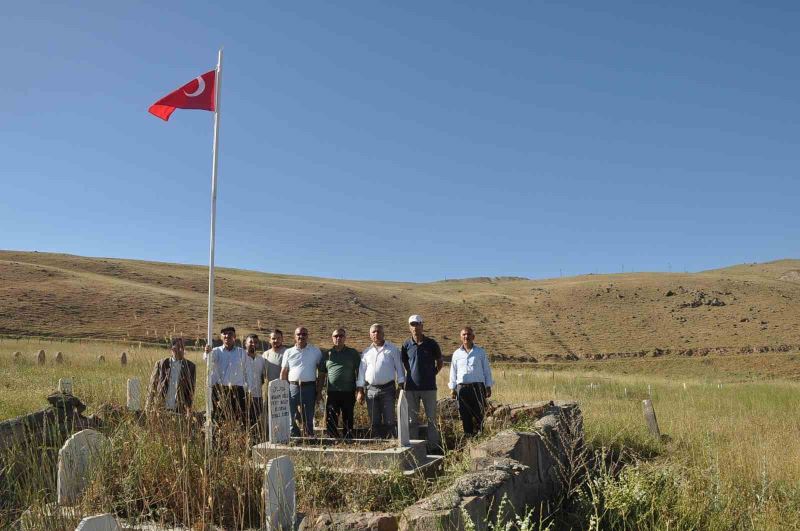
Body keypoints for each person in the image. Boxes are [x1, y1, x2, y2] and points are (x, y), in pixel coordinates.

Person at [401, 314, 443, 451]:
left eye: (417, 324)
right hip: (411, 388)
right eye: (412, 325)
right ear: (409, 327)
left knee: (431, 419)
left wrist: (432, 374)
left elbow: (440, 362)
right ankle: (413, 448)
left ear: (422, 326)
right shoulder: (406, 344)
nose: (415, 327)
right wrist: (411, 374)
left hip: (429, 388)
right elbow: (405, 363)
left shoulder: (431, 344)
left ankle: (433, 447)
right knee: (412, 419)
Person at [356, 323, 405, 438]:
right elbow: (361, 372)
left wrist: (401, 387)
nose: (376, 334)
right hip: (370, 390)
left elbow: (399, 369)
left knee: (390, 419)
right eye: (373, 332)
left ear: (383, 334)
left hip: (388, 389)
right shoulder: (366, 352)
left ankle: (392, 442)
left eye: (378, 331)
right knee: (374, 420)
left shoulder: (392, 349)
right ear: (370, 335)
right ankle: (376, 441)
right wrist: (360, 390)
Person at [449, 327, 494, 436]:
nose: (466, 336)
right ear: (461, 337)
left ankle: (480, 437)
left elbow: (486, 370)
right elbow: (453, 371)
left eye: (469, 334)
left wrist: (488, 386)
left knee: (479, 413)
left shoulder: (480, 352)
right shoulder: (456, 354)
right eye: (464, 334)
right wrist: (452, 388)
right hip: (462, 389)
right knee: (465, 414)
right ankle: (468, 437)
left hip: (478, 387)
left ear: (473, 337)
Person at [280, 326, 324, 437]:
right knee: (291, 413)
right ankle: (294, 435)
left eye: (304, 334)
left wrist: (319, 391)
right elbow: (284, 372)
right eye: (299, 334)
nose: (301, 336)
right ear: (294, 336)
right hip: (293, 387)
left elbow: (322, 372)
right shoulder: (288, 352)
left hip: (310, 387)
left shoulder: (315, 351)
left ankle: (309, 435)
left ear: (307, 336)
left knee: (309, 414)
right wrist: (282, 389)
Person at [321, 327, 361, 438]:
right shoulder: (327, 354)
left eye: (341, 336)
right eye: (335, 336)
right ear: (332, 338)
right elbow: (321, 374)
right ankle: (332, 438)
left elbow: (359, 372)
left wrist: (360, 389)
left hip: (348, 391)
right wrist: (319, 391)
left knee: (348, 416)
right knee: (331, 417)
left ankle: (348, 438)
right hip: (332, 391)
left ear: (345, 338)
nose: (338, 338)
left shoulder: (352, 353)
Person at [204, 326, 246, 425]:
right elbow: (207, 360)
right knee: (220, 417)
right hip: (220, 389)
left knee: (237, 417)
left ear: (234, 337)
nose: (227, 336)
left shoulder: (241, 352)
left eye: (230, 334)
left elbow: (246, 370)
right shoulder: (215, 351)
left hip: (237, 389)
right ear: (221, 337)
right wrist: (207, 352)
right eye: (224, 334)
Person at [145, 337, 196, 414]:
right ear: (172, 349)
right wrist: (147, 408)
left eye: (182, 347)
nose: (181, 350)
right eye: (178, 347)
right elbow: (152, 386)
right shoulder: (161, 364)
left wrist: (189, 410)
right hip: (160, 408)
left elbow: (191, 391)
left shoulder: (190, 367)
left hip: (179, 410)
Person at [243, 333, 267, 436]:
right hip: (243, 396)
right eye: (250, 342)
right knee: (243, 421)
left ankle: (254, 440)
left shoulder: (261, 359)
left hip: (257, 396)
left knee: (255, 420)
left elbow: (262, 378)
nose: (253, 344)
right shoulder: (240, 357)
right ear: (245, 343)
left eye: (255, 342)